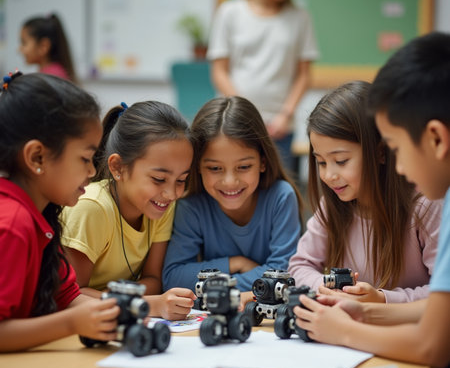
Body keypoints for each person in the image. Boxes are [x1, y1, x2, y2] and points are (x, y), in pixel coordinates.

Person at [294, 32, 450, 368]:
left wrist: (359, 318)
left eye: (395, 146)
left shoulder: (431, 204)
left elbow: (433, 344)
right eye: (321, 162)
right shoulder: (333, 206)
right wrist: (358, 308)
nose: (398, 165)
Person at [288, 80, 441, 303]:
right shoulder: (332, 206)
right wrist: (328, 289)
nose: (329, 175)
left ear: (380, 153)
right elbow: (300, 266)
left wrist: (382, 299)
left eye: (341, 161)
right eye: (321, 163)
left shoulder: (425, 206)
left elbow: (442, 294)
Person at [0, 71, 120, 352]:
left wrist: (122, 315)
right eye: (85, 159)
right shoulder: (12, 224)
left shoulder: (43, 214)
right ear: (37, 157)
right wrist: (71, 323)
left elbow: (68, 295)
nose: (92, 172)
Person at [61, 101, 196, 321]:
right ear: (117, 168)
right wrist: (148, 304)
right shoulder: (92, 208)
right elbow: (71, 296)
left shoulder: (160, 205)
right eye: (159, 179)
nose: (171, 193)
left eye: (181, 180)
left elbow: (153, 278)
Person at [162, 96, 303, 295]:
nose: (230, 181)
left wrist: (213, 285)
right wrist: (235, 263)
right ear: (198, 166)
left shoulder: (280, 197)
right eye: (215, 168)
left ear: (262, 162)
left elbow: (283, 276)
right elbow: (174, 279)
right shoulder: (191, 208)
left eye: (244, 167)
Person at [207, 0, 319, 172]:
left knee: (277, 192)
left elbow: (304, 75)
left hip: (279, 128)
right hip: (234, 124)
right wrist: (246, 114)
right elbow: (219, 71)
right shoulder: (230, 13)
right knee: (233, 191)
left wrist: (285, 116)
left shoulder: (300, 18)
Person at [19, 13, 77, 82]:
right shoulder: (48, 75)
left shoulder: (51, 77)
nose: (19, 49)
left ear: (43, 46)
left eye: (24, 43)